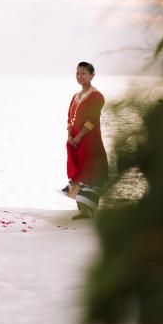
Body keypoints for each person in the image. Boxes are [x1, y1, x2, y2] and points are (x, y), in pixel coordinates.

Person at [63, 61, 108, 219]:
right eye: (77, 73)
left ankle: (86, 210)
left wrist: (79, 136)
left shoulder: (97, 96)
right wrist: (70, 135)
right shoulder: (76, 96)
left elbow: (92, 120)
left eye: (83, 73)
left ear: (92, 76)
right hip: (74, 143)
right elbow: (69, 118)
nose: (80, 76)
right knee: (76, 172)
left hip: (89, 142)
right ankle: (81, 208)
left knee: (89, 172)